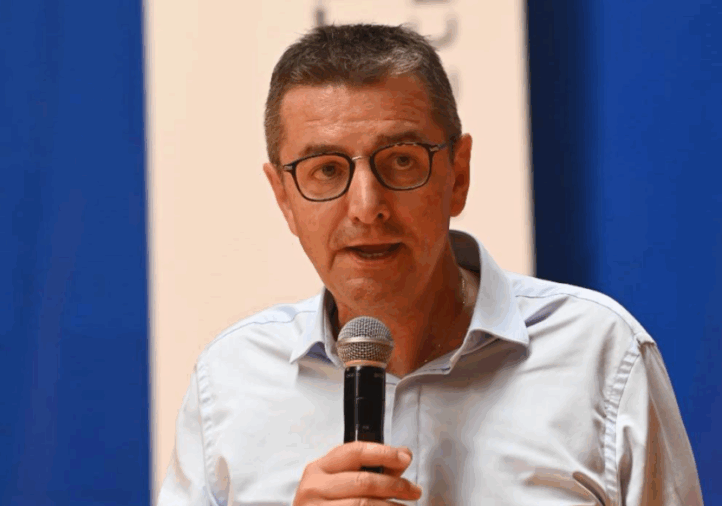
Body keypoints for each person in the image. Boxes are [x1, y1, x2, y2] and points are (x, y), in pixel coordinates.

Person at [158, 24, 703, 505]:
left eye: (401, 160)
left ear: (458, 175)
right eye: (326, 170)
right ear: (283, 198)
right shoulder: (229, 381)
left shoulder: (600, 355)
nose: (366, 206)